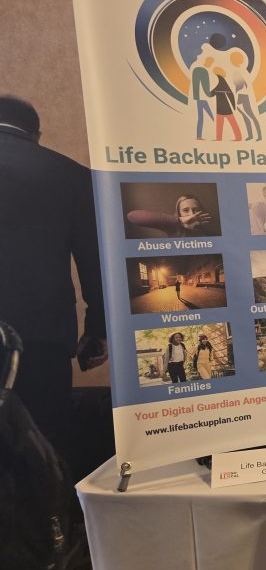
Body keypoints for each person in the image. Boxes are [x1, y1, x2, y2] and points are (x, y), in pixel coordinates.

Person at [0, 96, 108, 463]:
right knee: (44, 449)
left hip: (39, 336)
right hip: (41, 339)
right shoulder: (70, 174)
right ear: (36, 134)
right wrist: (98, 330)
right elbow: (95, 259)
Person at [126, 192, 216, 238]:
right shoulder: (173, 227)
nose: (191, 214)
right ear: (179, 212)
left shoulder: (208, 228)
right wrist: (179, 220)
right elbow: (132, 216)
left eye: (196, 209)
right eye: (185, 210)